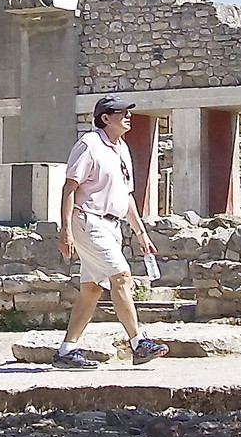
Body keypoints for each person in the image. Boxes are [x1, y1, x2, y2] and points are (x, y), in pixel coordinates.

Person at [53, 95, 170, 369]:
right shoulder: (88, 146)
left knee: (92, 288)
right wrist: (65, 231)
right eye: (122, 113)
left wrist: (141, 232)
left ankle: (67, 350)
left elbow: (126, 195)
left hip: (112, 224)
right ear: (106, 118)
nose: (128, 116)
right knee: (121, 276)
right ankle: (138, 342)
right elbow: (69, 188)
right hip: (88, 221)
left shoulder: (121, 149)